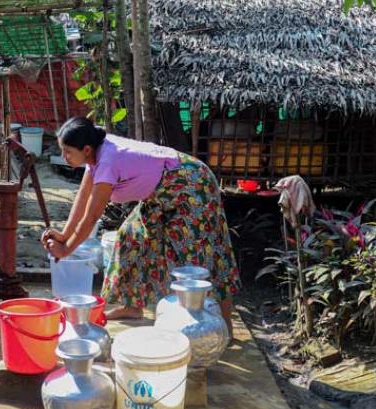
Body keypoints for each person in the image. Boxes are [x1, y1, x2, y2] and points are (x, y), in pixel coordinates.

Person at [42, 117, 240, 334]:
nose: (64, 157)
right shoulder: (94, 155)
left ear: (86, 149)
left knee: (200, 255)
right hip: (161, 192)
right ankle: (131, 306)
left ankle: (225, 324)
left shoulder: (108, 161)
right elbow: (82, 199)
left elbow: (91, 216)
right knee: (131, 236)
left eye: (68, 151)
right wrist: (64, 235)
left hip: (193, 184)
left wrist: (66, 249)